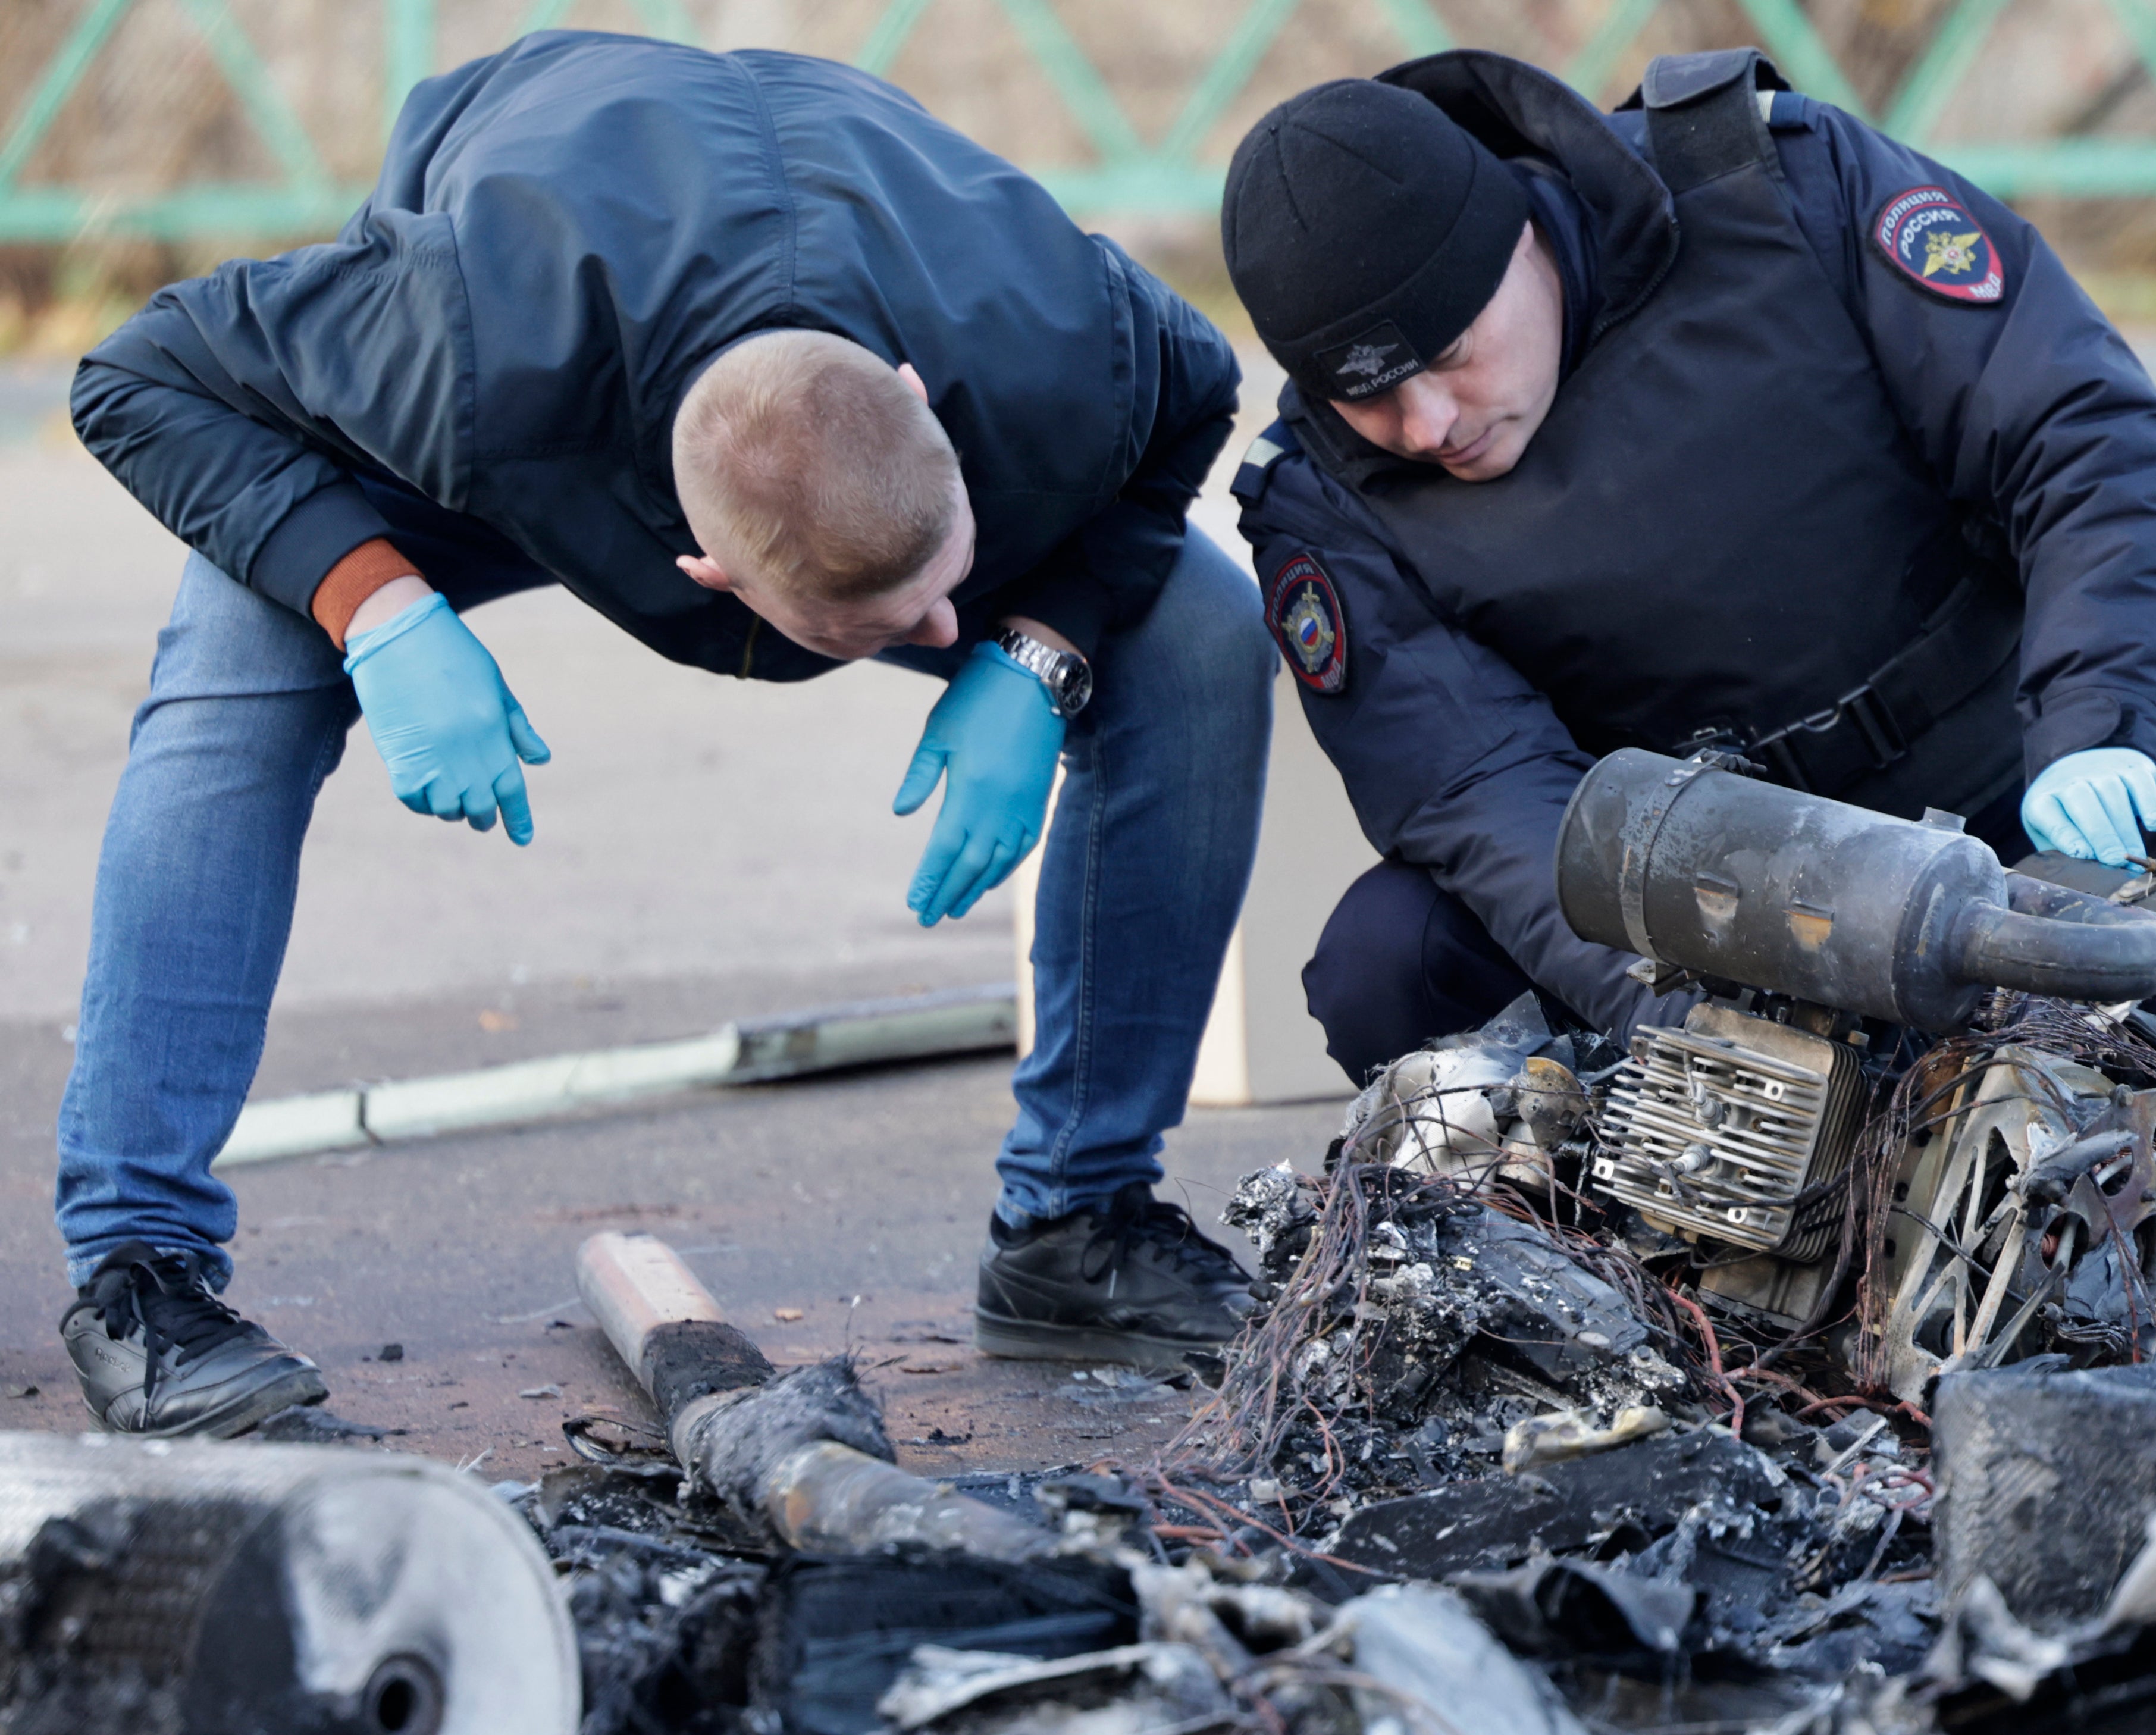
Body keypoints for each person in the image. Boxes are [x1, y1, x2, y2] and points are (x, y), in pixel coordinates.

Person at [57, 30, 1271, 1436]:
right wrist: (377, 605)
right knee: (244, 640)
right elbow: (137, 378)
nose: (945, 636)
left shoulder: (1063, 342)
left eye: (952, 584)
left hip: (874, 242)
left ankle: (1079, 1223)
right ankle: (139, 1264)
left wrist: (1040, 647)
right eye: (894, 623)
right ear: (706, 579)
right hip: (542, 350)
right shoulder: (451, 338)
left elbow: (1194, 390)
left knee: (1192, 628)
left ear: (930, 416)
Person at [1220, 48, 2156, 1083]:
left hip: (2004, 809)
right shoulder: (1322, 499)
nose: (1425, 425)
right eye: (1364, 395)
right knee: (1389, 966)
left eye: (1450, 355)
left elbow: (2079, 433)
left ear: (1520, 233)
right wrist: (1687, 1023)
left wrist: (2102, 719)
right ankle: (1637, 1258)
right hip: (1699, 899)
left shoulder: (1776, 187)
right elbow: (1483, 793)